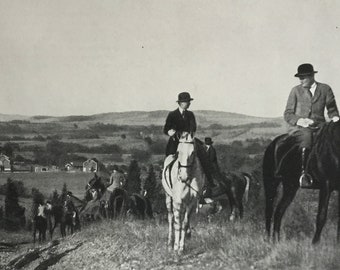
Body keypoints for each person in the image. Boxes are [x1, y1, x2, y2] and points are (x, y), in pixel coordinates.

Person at [284, 63, 340, 187]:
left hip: (320, 126)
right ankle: (304, 174)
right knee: (307, 137)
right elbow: (288, 114)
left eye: (303, 77)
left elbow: (332, 109)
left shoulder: (325, 89)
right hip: (299, 128)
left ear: (311, 76)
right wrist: (301, 121)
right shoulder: (295, 91)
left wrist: (335, 118)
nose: (300, 80)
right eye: (299, 78)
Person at [163, 92, 216, 197]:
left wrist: (189, 133)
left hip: (188, 140)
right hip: (175, 142)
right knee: (169, 161)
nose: (188, 104)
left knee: (203, 155)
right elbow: (166, 129)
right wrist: (170, 132)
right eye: (186, 102)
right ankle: (167, 183)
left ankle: (209, 183)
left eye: (188, 102)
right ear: (181, 103)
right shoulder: (172, 115)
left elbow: (193, 127)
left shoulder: (190, 114)